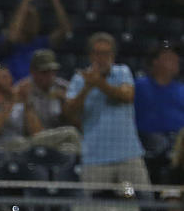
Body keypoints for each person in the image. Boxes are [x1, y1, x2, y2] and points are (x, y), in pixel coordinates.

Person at [63, 33, 149, 193]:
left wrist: (99, 83)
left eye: (106, 53)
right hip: (94, 157)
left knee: (143, 203)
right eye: (97, 53)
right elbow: (69, 111)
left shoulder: (122, 72)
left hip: (128, 154)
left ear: (112, 56)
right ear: (90, 55)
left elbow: (127, 96)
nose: (101, 58)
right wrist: (87, 87)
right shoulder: (79, 79)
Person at [0, 0, 72, 82]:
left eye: (35, 18)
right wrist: (25, 1)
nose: (32, 22)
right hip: (13, 92)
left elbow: (65, 30)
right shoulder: (5, 44)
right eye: (28, 18)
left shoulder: (41, 43)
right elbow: (12, 37)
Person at [134, 41, 184, 138]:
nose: (176, 59)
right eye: (169, 57)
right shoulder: (139, 87)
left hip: (178, 144)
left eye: (176, 56)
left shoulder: (182, 90)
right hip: (147, 143)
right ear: (155, 61)